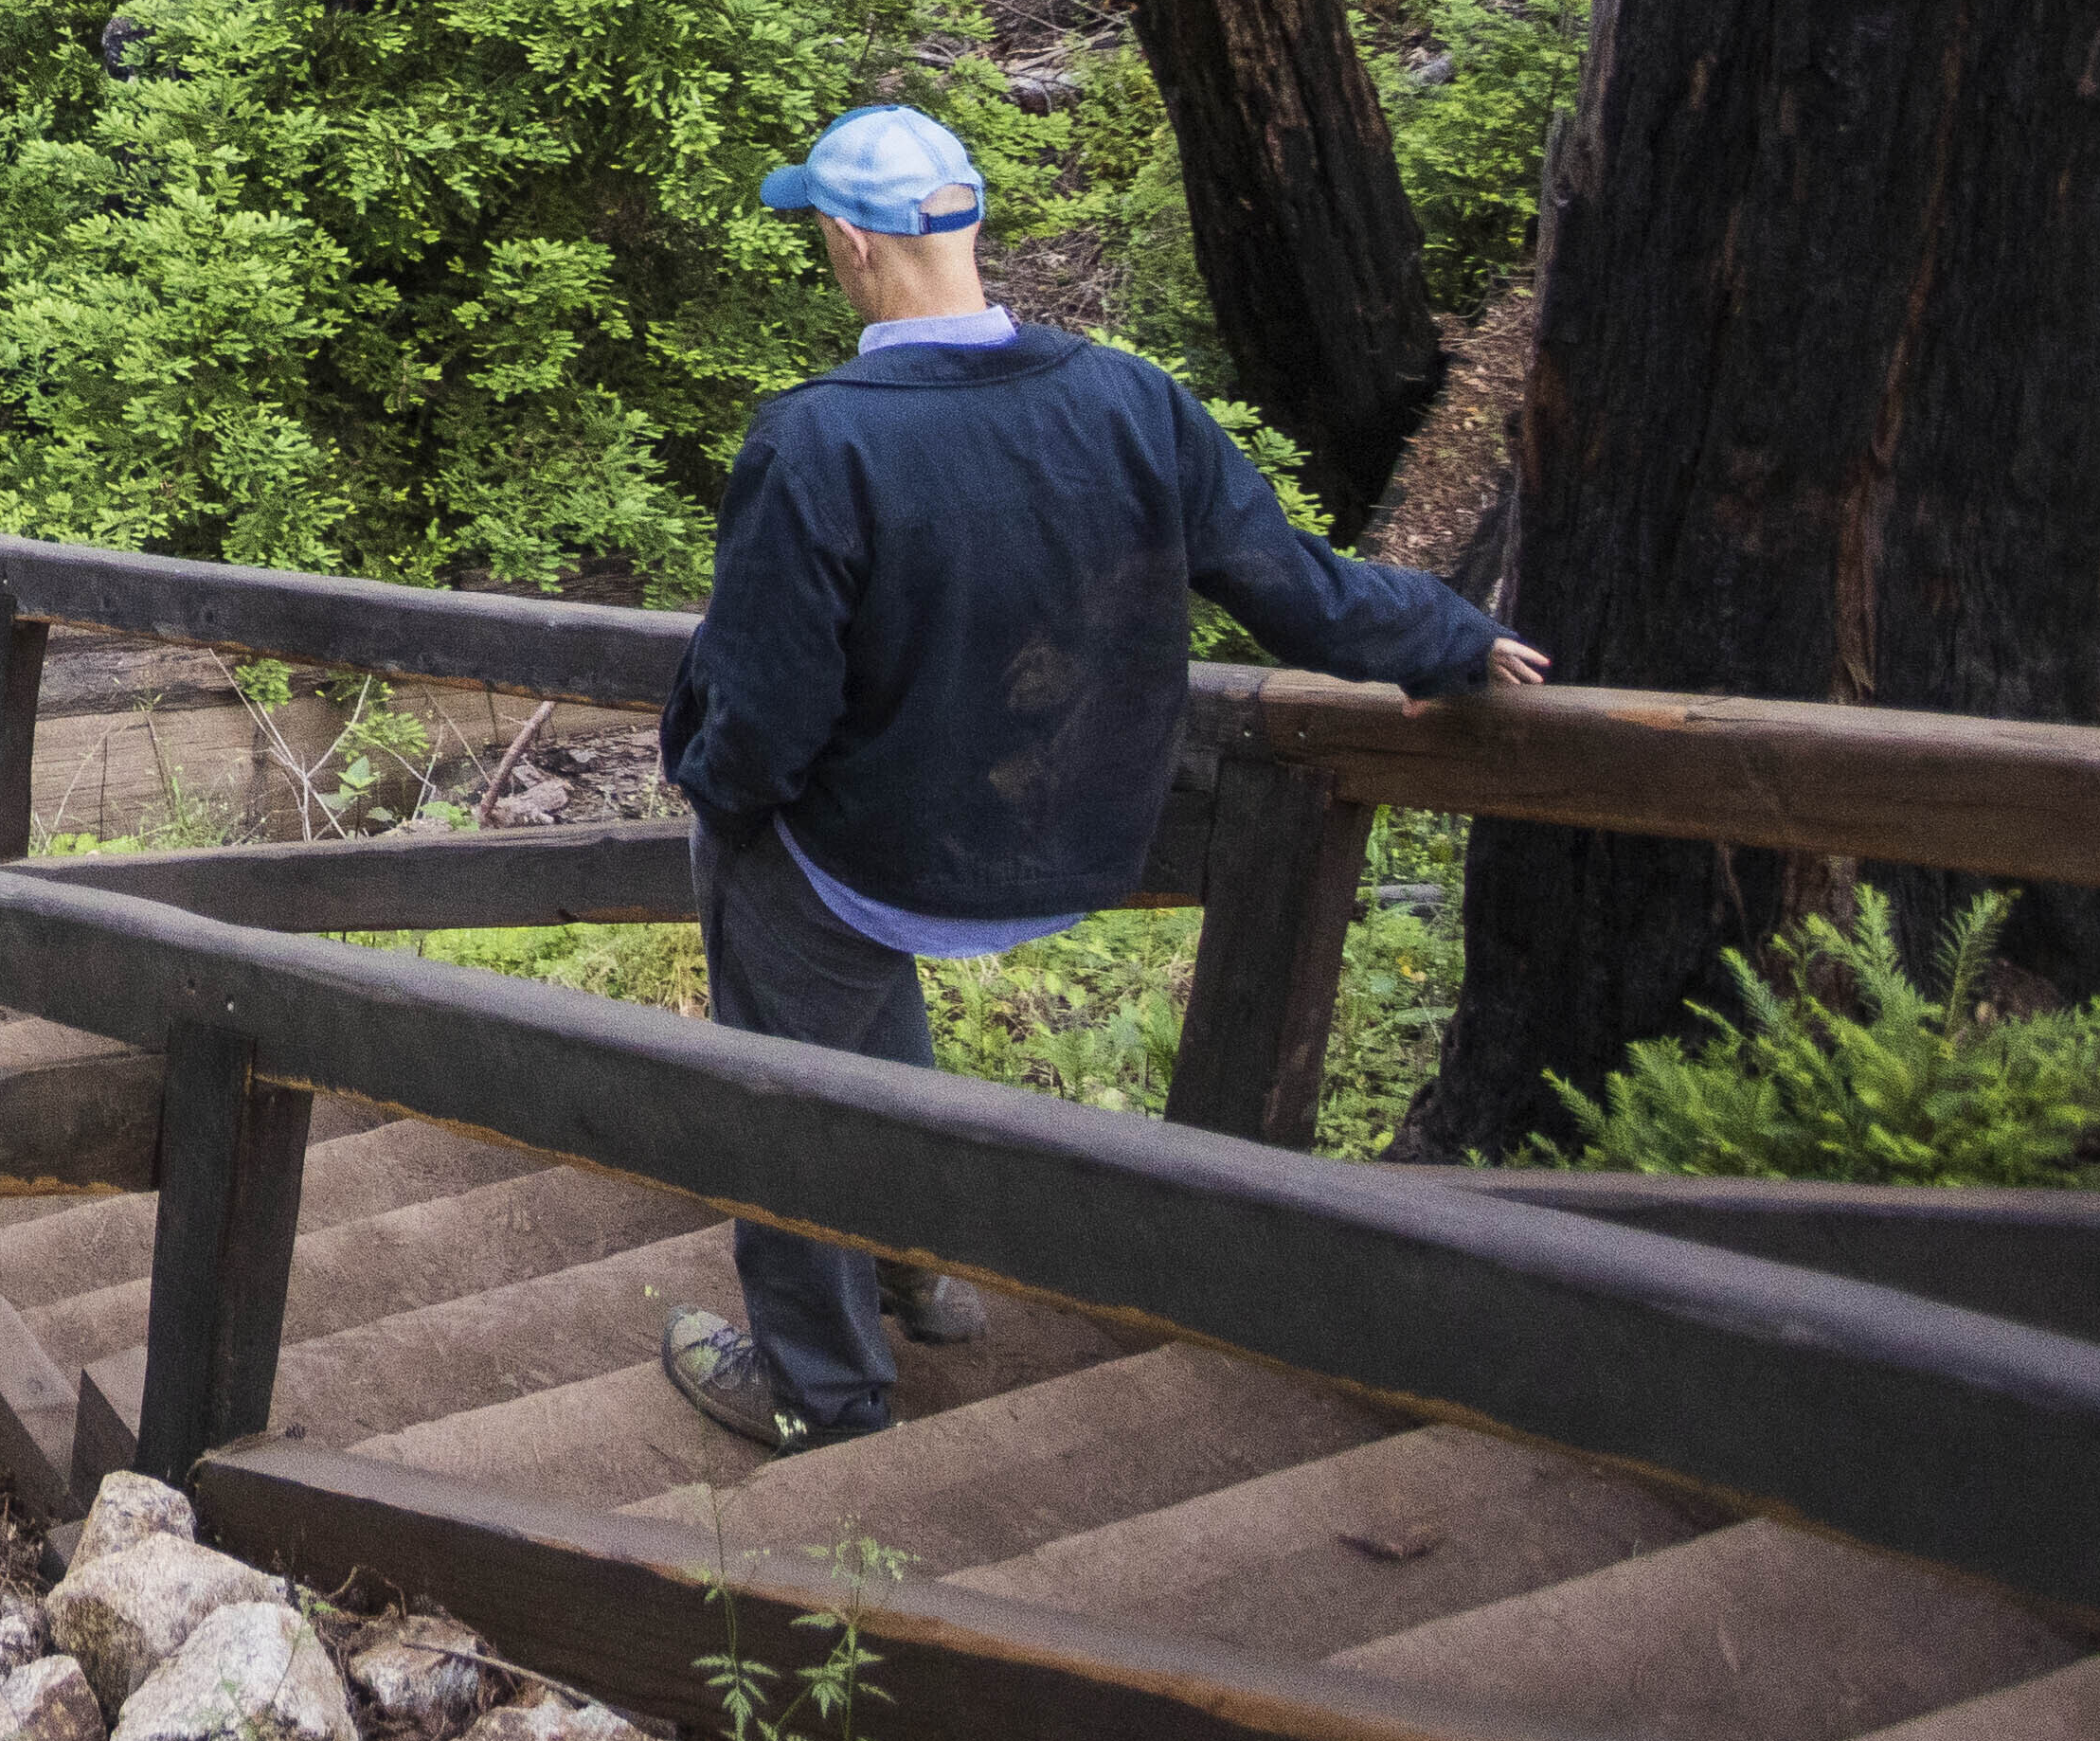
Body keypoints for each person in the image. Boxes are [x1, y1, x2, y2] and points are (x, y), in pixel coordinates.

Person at [650, 101, 1543, 1450]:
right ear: (968, 221)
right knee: (835, 960)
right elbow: (1297, 591)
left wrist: (710, 791)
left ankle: (818, 1392)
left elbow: (768, 724)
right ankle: (914, 1263)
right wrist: (1453, 634)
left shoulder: (814, 443)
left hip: (879, 857)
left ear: (846, 244)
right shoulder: (1130, 401)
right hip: (1077, 843)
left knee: (783, 1023)